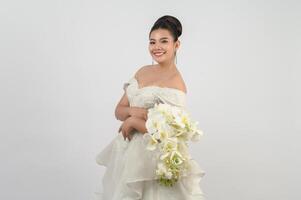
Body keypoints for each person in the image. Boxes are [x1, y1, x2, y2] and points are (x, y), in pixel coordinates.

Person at [94, 15, 206, 200]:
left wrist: (133, 122)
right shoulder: (142, 71)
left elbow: (171, 132)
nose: (157, 47)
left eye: (164, 41)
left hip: (153, 160)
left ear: (176, 45)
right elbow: (118, 110)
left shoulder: (176, 83)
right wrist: (132, 112)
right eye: (152, 42)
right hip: (129, 155)